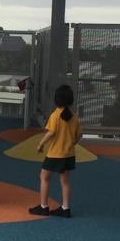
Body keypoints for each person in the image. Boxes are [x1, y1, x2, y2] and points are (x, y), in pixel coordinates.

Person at [29, 84, 81, 218]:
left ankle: (43, 206)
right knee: (65, 181)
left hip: (55, 154)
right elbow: (79, 135)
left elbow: (51, 132)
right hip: (69, 154)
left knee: (44, 177)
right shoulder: (74, 117)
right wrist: (72, 143)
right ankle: (65, 208)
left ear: (57, 99)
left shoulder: (55, 115)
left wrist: (41, 144)